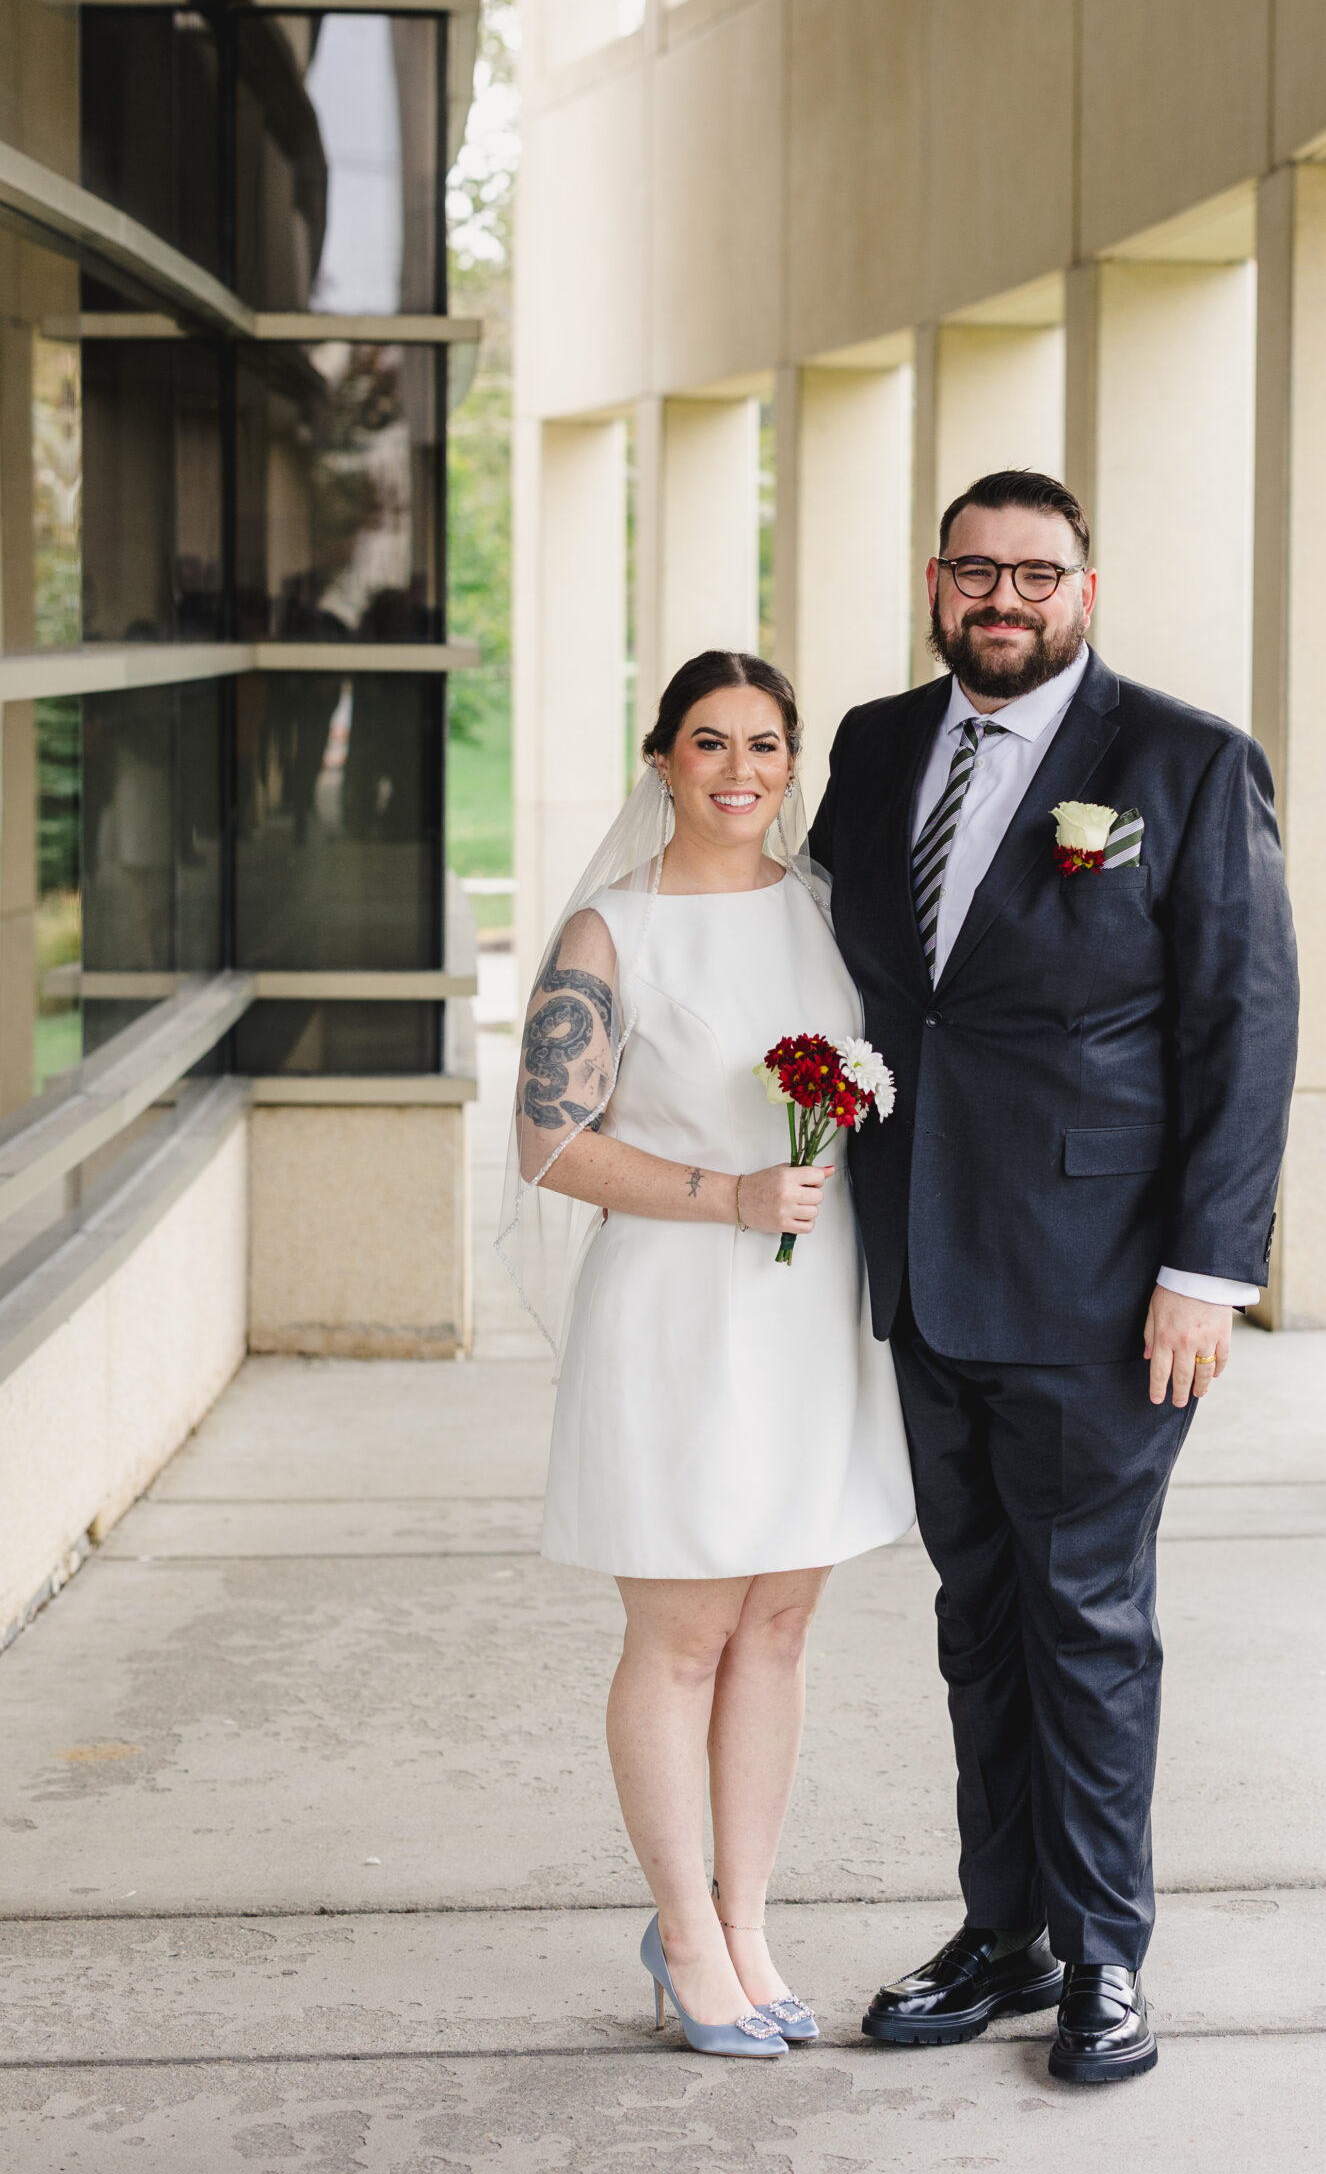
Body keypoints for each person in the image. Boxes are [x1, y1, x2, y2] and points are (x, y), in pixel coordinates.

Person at [810, 469, 1299, 2085]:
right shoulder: (876, 746)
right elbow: (840, 970)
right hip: (922, 1264)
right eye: (976, 572)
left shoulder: (1186, 762)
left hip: (1104, 1286)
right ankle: (1003, 1930)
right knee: (980, 1616)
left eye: (1036, 573)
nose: (1003, 599)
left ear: (1087, 588)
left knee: (1085, 1619)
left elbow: (1244, 1027)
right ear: (934, 583)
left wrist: (1207, 1272)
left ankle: (1104, 1958)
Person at [498, 650, 914, 2061]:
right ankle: (683, 1938)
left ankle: (749, 1926)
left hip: (810, 1307)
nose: (742, 770)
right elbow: (549, 1140)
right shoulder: (612, 931)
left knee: (779, 1630)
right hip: (679, 1308)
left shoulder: (829, 912)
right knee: (682, 1639)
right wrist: (728, 1195)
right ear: (663, 760)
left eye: (766, 744)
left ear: (794, 763)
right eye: (711, 742)